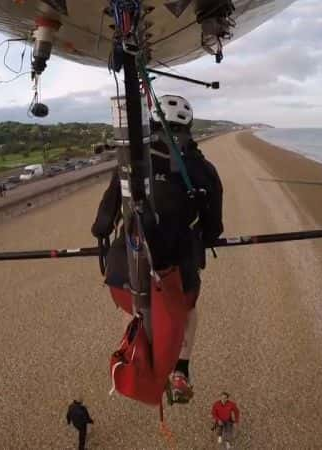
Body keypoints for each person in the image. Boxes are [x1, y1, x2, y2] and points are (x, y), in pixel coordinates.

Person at [92, 94, 224, 404]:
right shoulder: (204, 169)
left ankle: (136, 353)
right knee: (188, 310)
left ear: (152, 123)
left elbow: (102, 220)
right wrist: (203, 240)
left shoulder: (131, 163)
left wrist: (103, 233)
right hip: (178, 273)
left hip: (127, 268)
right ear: (189, 127)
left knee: (134, 305)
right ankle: (180, 367)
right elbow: (214, 228)